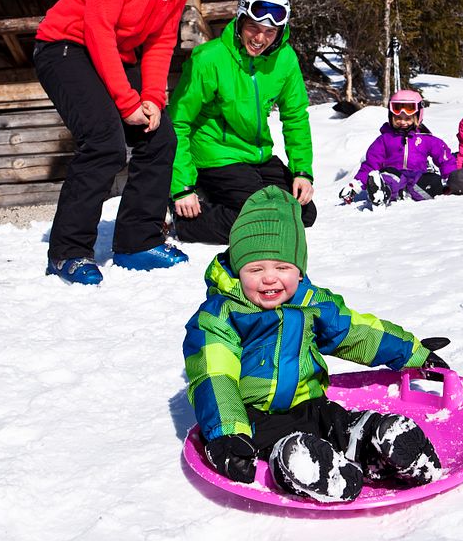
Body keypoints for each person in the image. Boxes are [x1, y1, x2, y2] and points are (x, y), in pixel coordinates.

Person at [183, 185, 446, 503]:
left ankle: (379, 444)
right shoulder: (220, 315)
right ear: (238, 270)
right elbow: (214, 376)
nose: (269, 278)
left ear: (299, 269)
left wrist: (413, 352)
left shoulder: (310, 302)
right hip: (252, 416)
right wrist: (228, 435)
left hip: (311, 404)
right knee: (282, 447)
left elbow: (356, 332)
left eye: (282, 267)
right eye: (255, 269)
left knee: (339, 424)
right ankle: (302, 465)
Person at [34, 0, 219, 285]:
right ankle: (68, 251)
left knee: (161, 138)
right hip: (65, 46)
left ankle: (137, 241)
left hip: (118, 54)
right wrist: (125, 102)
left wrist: (151, 98)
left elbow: (160, 41)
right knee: (104, 141)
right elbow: (97, 30)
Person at [169, 0, 316, 245]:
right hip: (216, 155)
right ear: (239, 21)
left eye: (270, 32)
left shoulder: (285, 60)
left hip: (257, 155)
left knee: (304, 212)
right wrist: (181, 186)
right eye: (253, 28)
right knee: (264, 217)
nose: (260, 39)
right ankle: (186, 222)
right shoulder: (209, 59)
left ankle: (221, 201)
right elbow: (178, 121)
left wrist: (302, 172)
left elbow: (295, 116)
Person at [339, 89, 456, 208]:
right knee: (387, 178)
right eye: (398, 118)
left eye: (408, 118)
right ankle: (381, 192)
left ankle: (413, 192)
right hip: (394, 176)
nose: (402, 122)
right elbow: (371, 164)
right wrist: (355, 186)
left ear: (418, 117)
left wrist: (451, 178)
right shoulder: (385, 139)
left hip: (417, 178)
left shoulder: (426, 139)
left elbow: (445, 158)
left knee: (432, 182)